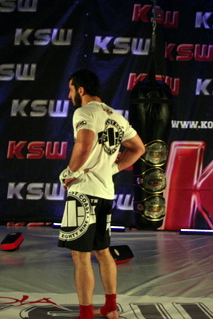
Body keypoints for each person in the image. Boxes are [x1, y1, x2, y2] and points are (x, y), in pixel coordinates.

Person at [58, 69, 145, 319]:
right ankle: (110, 308)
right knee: (103, 252)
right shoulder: (115, 116)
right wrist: (113, 168)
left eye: (71, 89)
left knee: (81, 256)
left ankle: (86, 314)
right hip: (105, 193)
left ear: (81, 90)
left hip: (83, 194)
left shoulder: (84, 112)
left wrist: (69, 173)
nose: (69, 95)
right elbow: (139, 148)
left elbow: (84, 145)